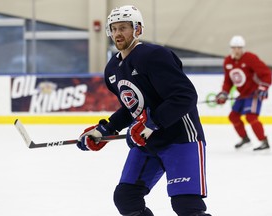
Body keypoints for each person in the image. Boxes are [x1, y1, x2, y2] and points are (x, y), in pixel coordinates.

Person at [77, 5, 211, 216]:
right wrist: (105, 129)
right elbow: (132, 107)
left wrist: (151, 123)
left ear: (137, 30)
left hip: (181, 138)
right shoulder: (112, 69)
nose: (118, 33)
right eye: (114, 28)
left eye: (124, 28)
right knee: (126, 198)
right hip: (148, 142)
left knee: (187, 206)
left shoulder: (154, 56)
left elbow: (185, 96)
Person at [215, 35, 272, 151]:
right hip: (243, 94)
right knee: (233, 116)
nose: (237, 50)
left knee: (251, 117)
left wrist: (263, 88)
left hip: (255, 93)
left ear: (243, 48)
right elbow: (228, 81)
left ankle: (264, 141)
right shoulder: (228, 61)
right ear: (231, 48)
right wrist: (224, 93)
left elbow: (266, 73)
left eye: (239, 48)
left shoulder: (250, 58)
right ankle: (245, 138)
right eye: (234, 48)